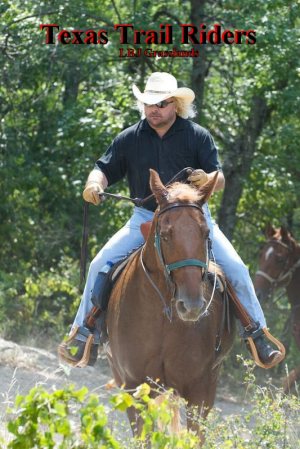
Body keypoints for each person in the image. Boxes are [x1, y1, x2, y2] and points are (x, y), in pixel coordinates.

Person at [58, 72, 282, 368]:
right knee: (100, 264)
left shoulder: (197, 135)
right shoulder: (129, 138)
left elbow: (220, 177)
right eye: (149, 103)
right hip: (146, 219)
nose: (154, 109)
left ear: (175, 104)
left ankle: (257, 334)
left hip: (193, 220)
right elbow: (103, 168)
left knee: (237, 269)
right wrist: (94, 184)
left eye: (161, 104)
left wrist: (209, 180)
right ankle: (84, 333)